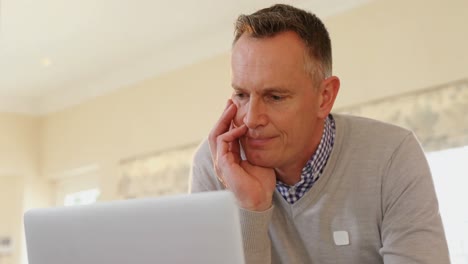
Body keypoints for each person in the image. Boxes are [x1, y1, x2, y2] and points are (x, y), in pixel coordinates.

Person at [190, 4, 449, 264]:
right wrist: (251, 210)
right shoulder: (215, 165)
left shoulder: (392, 155)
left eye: (275, 96)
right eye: (241, 95)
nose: (251, 118)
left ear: (324, 97)